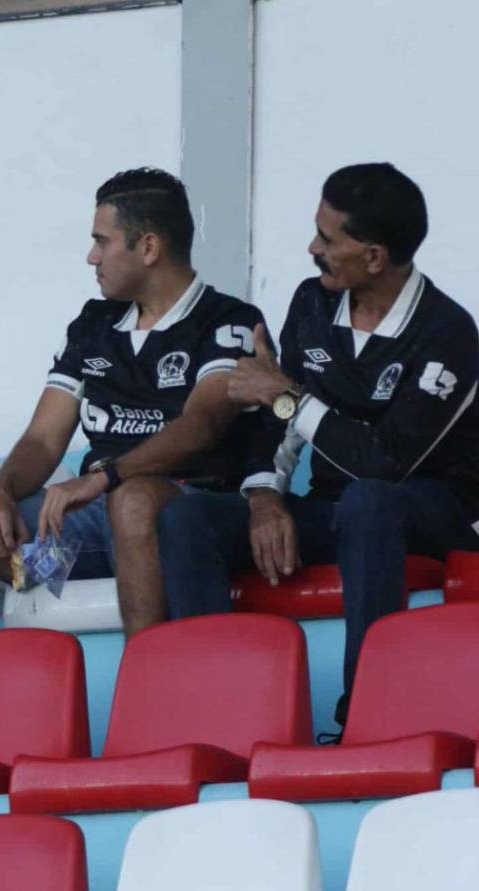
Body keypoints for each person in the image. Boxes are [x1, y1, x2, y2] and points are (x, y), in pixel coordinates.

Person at [158, 163, 479, 728]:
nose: (313, 248)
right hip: (340, 511)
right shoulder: (313, 302)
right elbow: (275, 420)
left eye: (328, 240)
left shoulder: (448, 332)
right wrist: (264, 499)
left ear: (375, 257)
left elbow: (385, 461)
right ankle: (221, 714)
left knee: (371, 499)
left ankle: (368, 709)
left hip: (433, 512)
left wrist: (288, 397)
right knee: (190, 519)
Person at [0, 168, 264, 640]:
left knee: (133, 500)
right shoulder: (93, 324)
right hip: (87, 535)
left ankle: (156, 701)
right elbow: (42, 438)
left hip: (180, 514)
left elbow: (200, 424)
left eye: (102, 241)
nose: (91, 257)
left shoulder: (229, 320)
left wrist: (102, 478)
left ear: (148, 248)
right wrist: (1, 494)